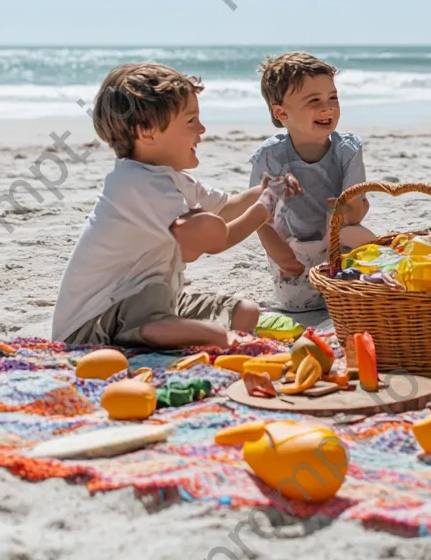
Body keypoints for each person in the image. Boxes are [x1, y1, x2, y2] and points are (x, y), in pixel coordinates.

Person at [52, 62, 295, 350]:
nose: (202, 129)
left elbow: (226, 207)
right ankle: (187, 334)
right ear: (147, 132)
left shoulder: (170, 179)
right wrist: (262, 211)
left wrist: (265, 190)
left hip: (150, 300)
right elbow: (215, 239)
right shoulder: (136, 185)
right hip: (92, 325)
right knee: (209, 330)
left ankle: (172, 329)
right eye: (191, 121)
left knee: (245, 313)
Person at [250, 52, 377, 312]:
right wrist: (282, 256)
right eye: (314, 100)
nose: (327, 107)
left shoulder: (347, 149)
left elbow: (356, 211)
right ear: (281, 112)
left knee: (360, 239)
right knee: (298, 303)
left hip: (337, 240)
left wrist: (349, 208)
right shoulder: (270, 156)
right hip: (293, 247)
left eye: (333, 97)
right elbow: (258, 218)